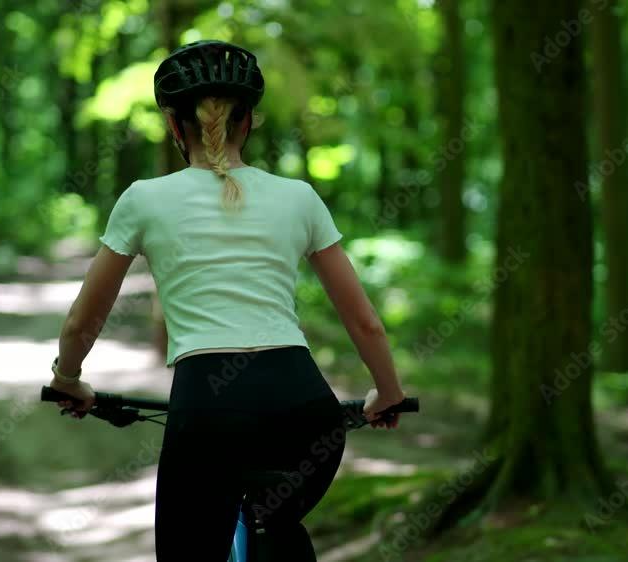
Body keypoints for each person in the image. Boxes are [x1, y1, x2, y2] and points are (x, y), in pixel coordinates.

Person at [46, 40, 407, 561]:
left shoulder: (143, 199)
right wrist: (387, 393)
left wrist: (67, 378)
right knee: (278, 521)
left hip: (209, 408)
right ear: (248, 122)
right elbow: (365, 322)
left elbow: (84, 320)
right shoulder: (299, 197)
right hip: (306, 409)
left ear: (174, 127)